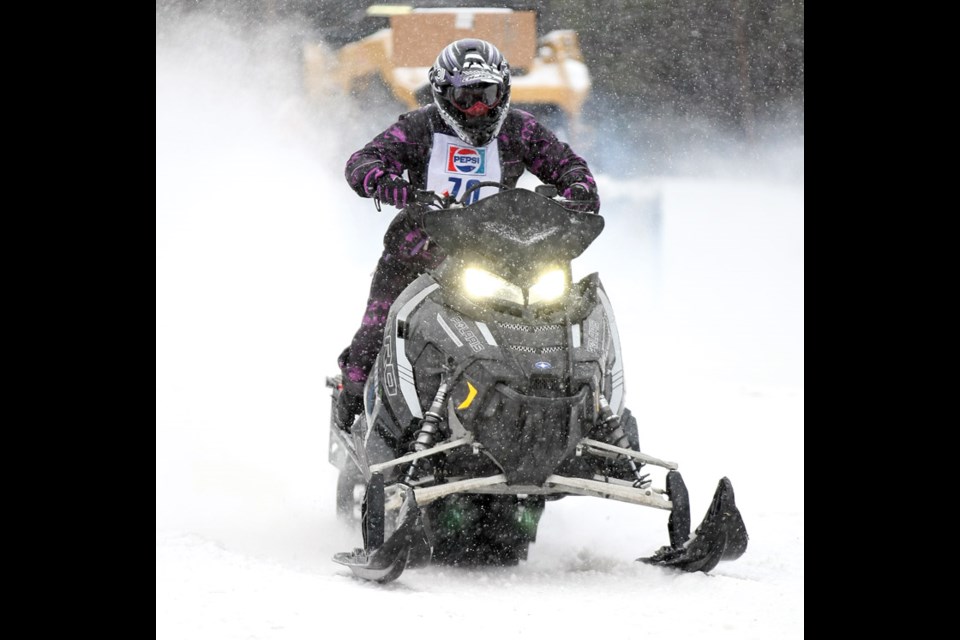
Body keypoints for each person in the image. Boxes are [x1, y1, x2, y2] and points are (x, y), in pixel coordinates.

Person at [335, 38, 600, 430]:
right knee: (377, 328)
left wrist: (578, 187)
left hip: (503, 255)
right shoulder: (419, 127)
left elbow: (567, 164)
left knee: (556, 317)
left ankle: (580, 411)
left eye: (487, 96)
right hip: (420, 254)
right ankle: (354, 399)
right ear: (443, 94)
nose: (478, 110)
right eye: (466, 98)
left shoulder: (519, 129)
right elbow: (362, 162)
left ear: (504, 92)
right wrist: (391, 185)